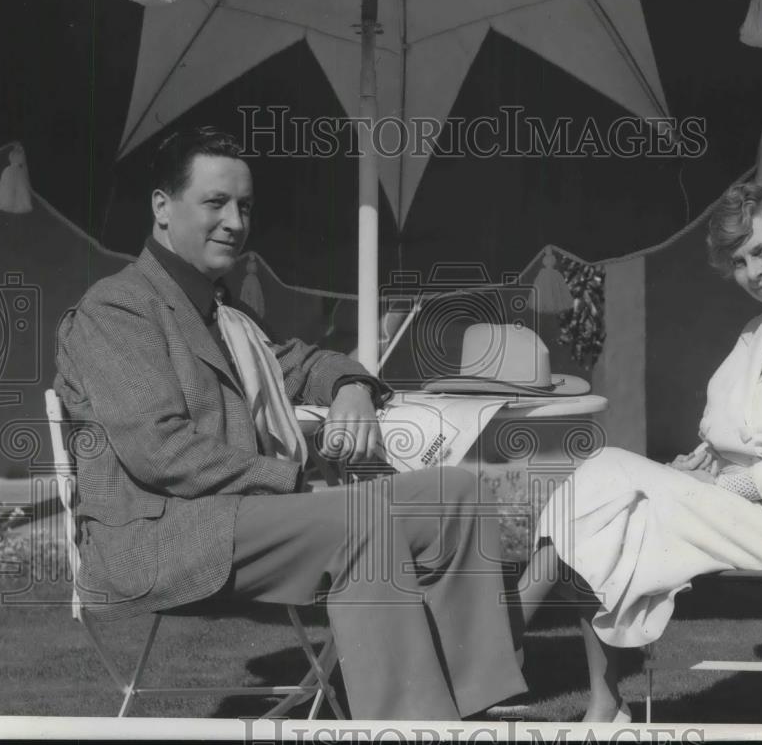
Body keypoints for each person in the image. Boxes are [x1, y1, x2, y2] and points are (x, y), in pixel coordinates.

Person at [53, 126, 527, 720]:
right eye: (216, 203)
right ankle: (412, 725)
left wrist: (352, 386)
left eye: (244, 206)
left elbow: (304, 363)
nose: (235, 221)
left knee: (456, 493)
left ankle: (474, 709)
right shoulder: (117, 309)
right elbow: (160, 452)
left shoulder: (225, 314)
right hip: (163, 536)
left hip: (239, 517)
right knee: (364, 521)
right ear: (162, 208)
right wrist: (294, 476)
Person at [516, 181, 762, 722]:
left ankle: (507, 637)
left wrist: (731, 482)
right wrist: (704, 463)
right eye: (739, 262)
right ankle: (601, 704)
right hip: (734, 510)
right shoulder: (757, 331)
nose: (753, 272)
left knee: (606, 472)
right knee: (614, 504)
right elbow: (729, 430)